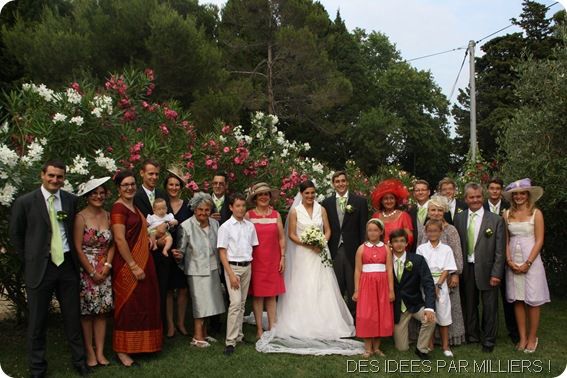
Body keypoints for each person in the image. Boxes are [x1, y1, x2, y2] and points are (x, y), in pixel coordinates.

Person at [256, 180, 364, 355]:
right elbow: (290, 234)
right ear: (301, 194)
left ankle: (326, 322)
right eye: (307, 193)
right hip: (302, 254)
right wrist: (307, 244)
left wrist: (321, 241)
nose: (310, 196)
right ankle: (301, 322)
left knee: (322, 286)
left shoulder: (321, 209)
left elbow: (328, 230)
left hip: (320, 253)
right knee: (302, 286)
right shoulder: (295, 211)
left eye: (313, 193)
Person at [10, 160, 89, 377]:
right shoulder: (25, 202)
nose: (55, 180)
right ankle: (37, 367)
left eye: (59, 177)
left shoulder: (71, 201)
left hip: (66, 266)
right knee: (37, 321)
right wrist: (29, 259)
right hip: (40, 268)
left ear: (64, 179)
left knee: (73, 318)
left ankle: (80, 361)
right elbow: (16, 235)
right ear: (42, 175)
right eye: (51, 175)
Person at [111, 170, 162, 366]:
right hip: (128, 264)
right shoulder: (118, 209)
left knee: (144, 304)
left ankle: (142, 346)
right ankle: (122, 351)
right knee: (127, 306)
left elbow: (143, 228)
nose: (130, 188)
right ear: (118, 188)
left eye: (132, 184)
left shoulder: (134, 207)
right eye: (125, 185)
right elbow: (119, 238)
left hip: (144, 262)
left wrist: (149, 235)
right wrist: (133, 265)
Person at [454, 182, 505, 353]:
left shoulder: (496, 220)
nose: (475, 200)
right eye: (471, 197)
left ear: (482, 198)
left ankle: (489, 339)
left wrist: (497, 273)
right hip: (467, 267)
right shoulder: (459, 218)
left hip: (488, 268)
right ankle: (472, 335)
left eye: (478, 197)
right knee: (469, 303)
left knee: (490, 306)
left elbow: (500, 250)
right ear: (466, 199)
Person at [502, 178, 550, 353]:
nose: (519, 197)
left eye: (522, 193)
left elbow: (539, 240)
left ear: (528, 195)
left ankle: (532, 337)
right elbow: (505, 241)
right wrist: (509, 261)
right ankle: (522, 338)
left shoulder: (536, 213)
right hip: (513, 261)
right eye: (516, 194)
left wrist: (528, 262)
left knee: (533, 300)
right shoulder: (507, 214)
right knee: (518, 299)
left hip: (532, 261)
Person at [176, 192, 226, 348]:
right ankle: (197, 338)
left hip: (213, 267)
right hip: (195, 270)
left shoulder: (215, 224)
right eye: (200, 210)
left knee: (210, 303)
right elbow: (181, 250)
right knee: (200, 304)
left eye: (207, 210)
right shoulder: (185, 226)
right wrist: (178, 256)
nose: (203, 213)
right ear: (194, 209)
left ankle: (204, 333)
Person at [74, 177, 114, 368]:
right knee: (87, 312)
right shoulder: (80, 217)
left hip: (105, 267)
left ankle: (100, 351)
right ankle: (89, 351)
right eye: (94, 193)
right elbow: (77, 248)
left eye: (101, 193)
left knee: (102, 312)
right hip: (86, 269)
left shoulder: (108, 215)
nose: (98, 196)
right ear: (87, 196)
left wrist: (107, 266)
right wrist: (91, 271)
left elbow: (112, 244)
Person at [416, 195, 465, 347]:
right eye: (433, 210)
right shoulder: (425, 230)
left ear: (444, 211)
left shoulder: (451, 230)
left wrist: (455, 274)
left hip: (447, 277)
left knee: (448, 311)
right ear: (428, 211)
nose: (436, 213)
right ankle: (429, 341)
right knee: (429, 307)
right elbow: (419, 253)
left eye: (439, 210)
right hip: (427, 278)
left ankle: (448, 340)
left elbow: (457, 254)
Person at [322, 171, 368, 317]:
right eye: (337, 181)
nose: (340, 184)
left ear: (347, 182)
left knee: (353, 285)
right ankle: (337, 318)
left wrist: (363, 249)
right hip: (334, 249)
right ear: (333, 184)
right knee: (336, 285)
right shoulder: (326, 203)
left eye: (343, 181)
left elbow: (363, 228)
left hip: (354, 250)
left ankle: (355, 319)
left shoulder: (360, 202)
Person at [217, 193, 259, 356]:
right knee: (234, 303)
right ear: (231, 207)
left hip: (246, 266)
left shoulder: (250, 226)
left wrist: (248, 264)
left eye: (243, 206)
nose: (241, 209)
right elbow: (222, 253)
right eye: (238, 206)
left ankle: (239, 335)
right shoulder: (226, 227)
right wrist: (231, 275)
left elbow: (253, 247)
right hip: (232, 267)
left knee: (241, 303)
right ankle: (230, 342)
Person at [245, 182, 286, 339]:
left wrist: (283, 257)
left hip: (273, 259)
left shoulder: (276, 215)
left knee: (271, 294)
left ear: (270, 197)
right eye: (260, 195)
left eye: (266, 194)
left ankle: (273, 328)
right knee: (258, 295)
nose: (263, 197)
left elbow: (282, 238)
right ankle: (259, 330)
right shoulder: (249, 215)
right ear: (255, 198)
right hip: (256, 260)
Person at [133, 159, 169, 330]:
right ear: (142, 173)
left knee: (161, 290)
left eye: (156, 174)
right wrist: (155, 235)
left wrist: (166, 227)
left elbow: (168, 217)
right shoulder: (135, 195)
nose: (154, 177)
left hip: (162, 252)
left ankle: (159, 327)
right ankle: (145, 327)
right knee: (145, 292)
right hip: (144, 250)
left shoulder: (162, 193)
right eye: (150, 174)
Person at [390, 229, 436, 360]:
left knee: (431, 319)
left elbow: (428, 284)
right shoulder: (386, 260)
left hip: (415, 303)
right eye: (395, 241)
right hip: (398, 308)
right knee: (402, 348)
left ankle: (421, 348)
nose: (399, 244)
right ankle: (404, 339)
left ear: (406, 243)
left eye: (402, 241)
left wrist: (429, 307)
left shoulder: (417, 260)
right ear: (391, 243)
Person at [483, 177, 519, 344]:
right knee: (487, 300)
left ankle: (514, 332)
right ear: (487, 190)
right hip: (485, 260)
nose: (495, 191)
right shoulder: (480, 207)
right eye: (492, 188)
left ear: (501, 191)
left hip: (506, 256)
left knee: (508, 297)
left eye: (498, 188)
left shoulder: (509, 208)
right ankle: (486, 331)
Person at [353, 218, 394, 358]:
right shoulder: (361, 248)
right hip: (366, 285)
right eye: (370, 230)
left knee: (380, 314)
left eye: (375, 230)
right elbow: (358, 270)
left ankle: (377, 347)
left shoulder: (386, 249)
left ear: (381, 231)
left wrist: (391, 290)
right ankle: (367, 348)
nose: (372, 233)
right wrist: (357, 290)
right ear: (367, 232)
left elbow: (389, 269)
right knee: (367, 314)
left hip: (382, 285)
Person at [417, 219, 457, 357]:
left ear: (441, 231)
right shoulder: (421, 249)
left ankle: (446, 346)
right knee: (429, 313)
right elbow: (421, 269)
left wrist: (438, 285)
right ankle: (429, 343)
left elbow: (447, 269)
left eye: (435, 231)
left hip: (441, 282)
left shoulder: (446, 249)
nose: (432, 233)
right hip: (426, 282)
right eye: (429, 231)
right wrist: (430, 286)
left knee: (443, 314)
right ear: (426, 232)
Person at [163, 168, 193, 338]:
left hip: (183, 251)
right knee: (167, 289)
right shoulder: (161, 204)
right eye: (171, 184)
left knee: (183, 288)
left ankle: (181, 322)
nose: (174, 187)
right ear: (166, 186)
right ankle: (170, 324)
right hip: (164, 251)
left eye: (177, 185)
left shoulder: (188, 205)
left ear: (180, 187)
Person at [370, 178, 414, 247]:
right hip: (380, 253)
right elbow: (371, 235)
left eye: (391, 198)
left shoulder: (404, 216)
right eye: (386, 199)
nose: (389, 201)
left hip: (398, 253)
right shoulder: (376, 216)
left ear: (396, 200)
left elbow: (409, 238)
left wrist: (395, 245)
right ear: (381, 201)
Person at [408, 179, 430, 254]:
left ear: (429, 192)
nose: (420, 192)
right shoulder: (409, 211)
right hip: (414, 252)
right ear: (414, 193)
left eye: (423, 190)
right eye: (417, 190)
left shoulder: (438, 209)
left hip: (433, 251)